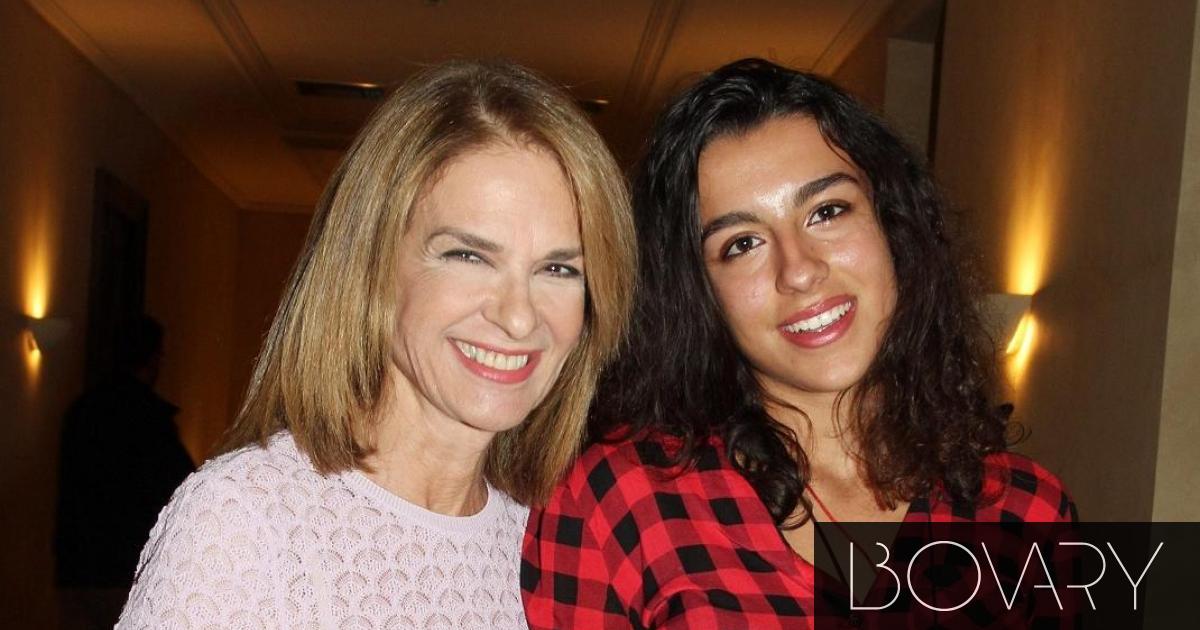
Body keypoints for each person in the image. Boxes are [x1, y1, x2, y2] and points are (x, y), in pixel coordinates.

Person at [522, 58, 1075, 628]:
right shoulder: (621, 502)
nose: (800, 270)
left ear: (892, 225)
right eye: (742, 244)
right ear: (698, 293)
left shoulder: (1026, 511)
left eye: (827, 211)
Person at [118, 59, 635, 629]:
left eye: (559, 269)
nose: (518, 317)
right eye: (468, 256)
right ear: (372, 267)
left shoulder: (556, 544)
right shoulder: (247, 525)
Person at [54, 315, 195, 629]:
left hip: (77, 568)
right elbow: (182, 489)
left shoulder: (81, 411)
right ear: (152, 359)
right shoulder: (150, 421)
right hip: (124, 570)